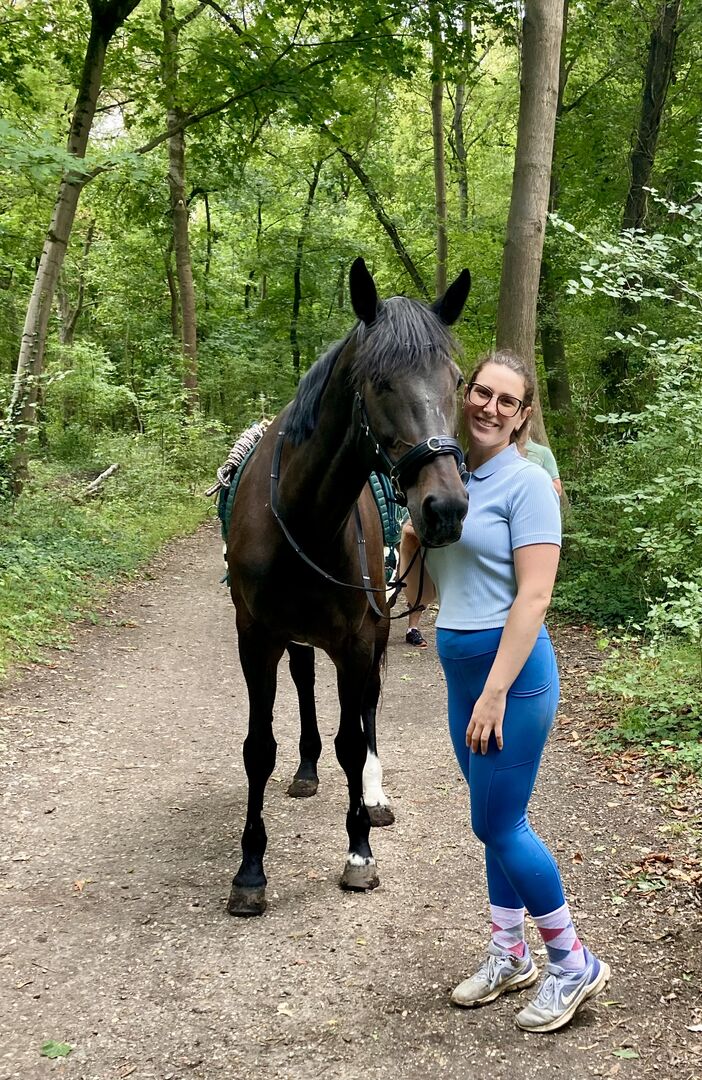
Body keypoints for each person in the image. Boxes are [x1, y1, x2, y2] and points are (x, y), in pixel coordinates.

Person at [423, 348, 609, 1033]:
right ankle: (510, 953)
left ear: (523, 415)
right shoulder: (452, 478)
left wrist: (496, 691)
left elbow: (534, 597)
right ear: (464, 393)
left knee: (499, 823)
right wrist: (412, 540)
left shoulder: (526, 484)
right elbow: (434, 583)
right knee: (492, 819)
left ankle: (572, 961)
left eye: (507, 400)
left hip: (513, 681)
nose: (490, 407)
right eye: (482, 392)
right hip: (461, 675)